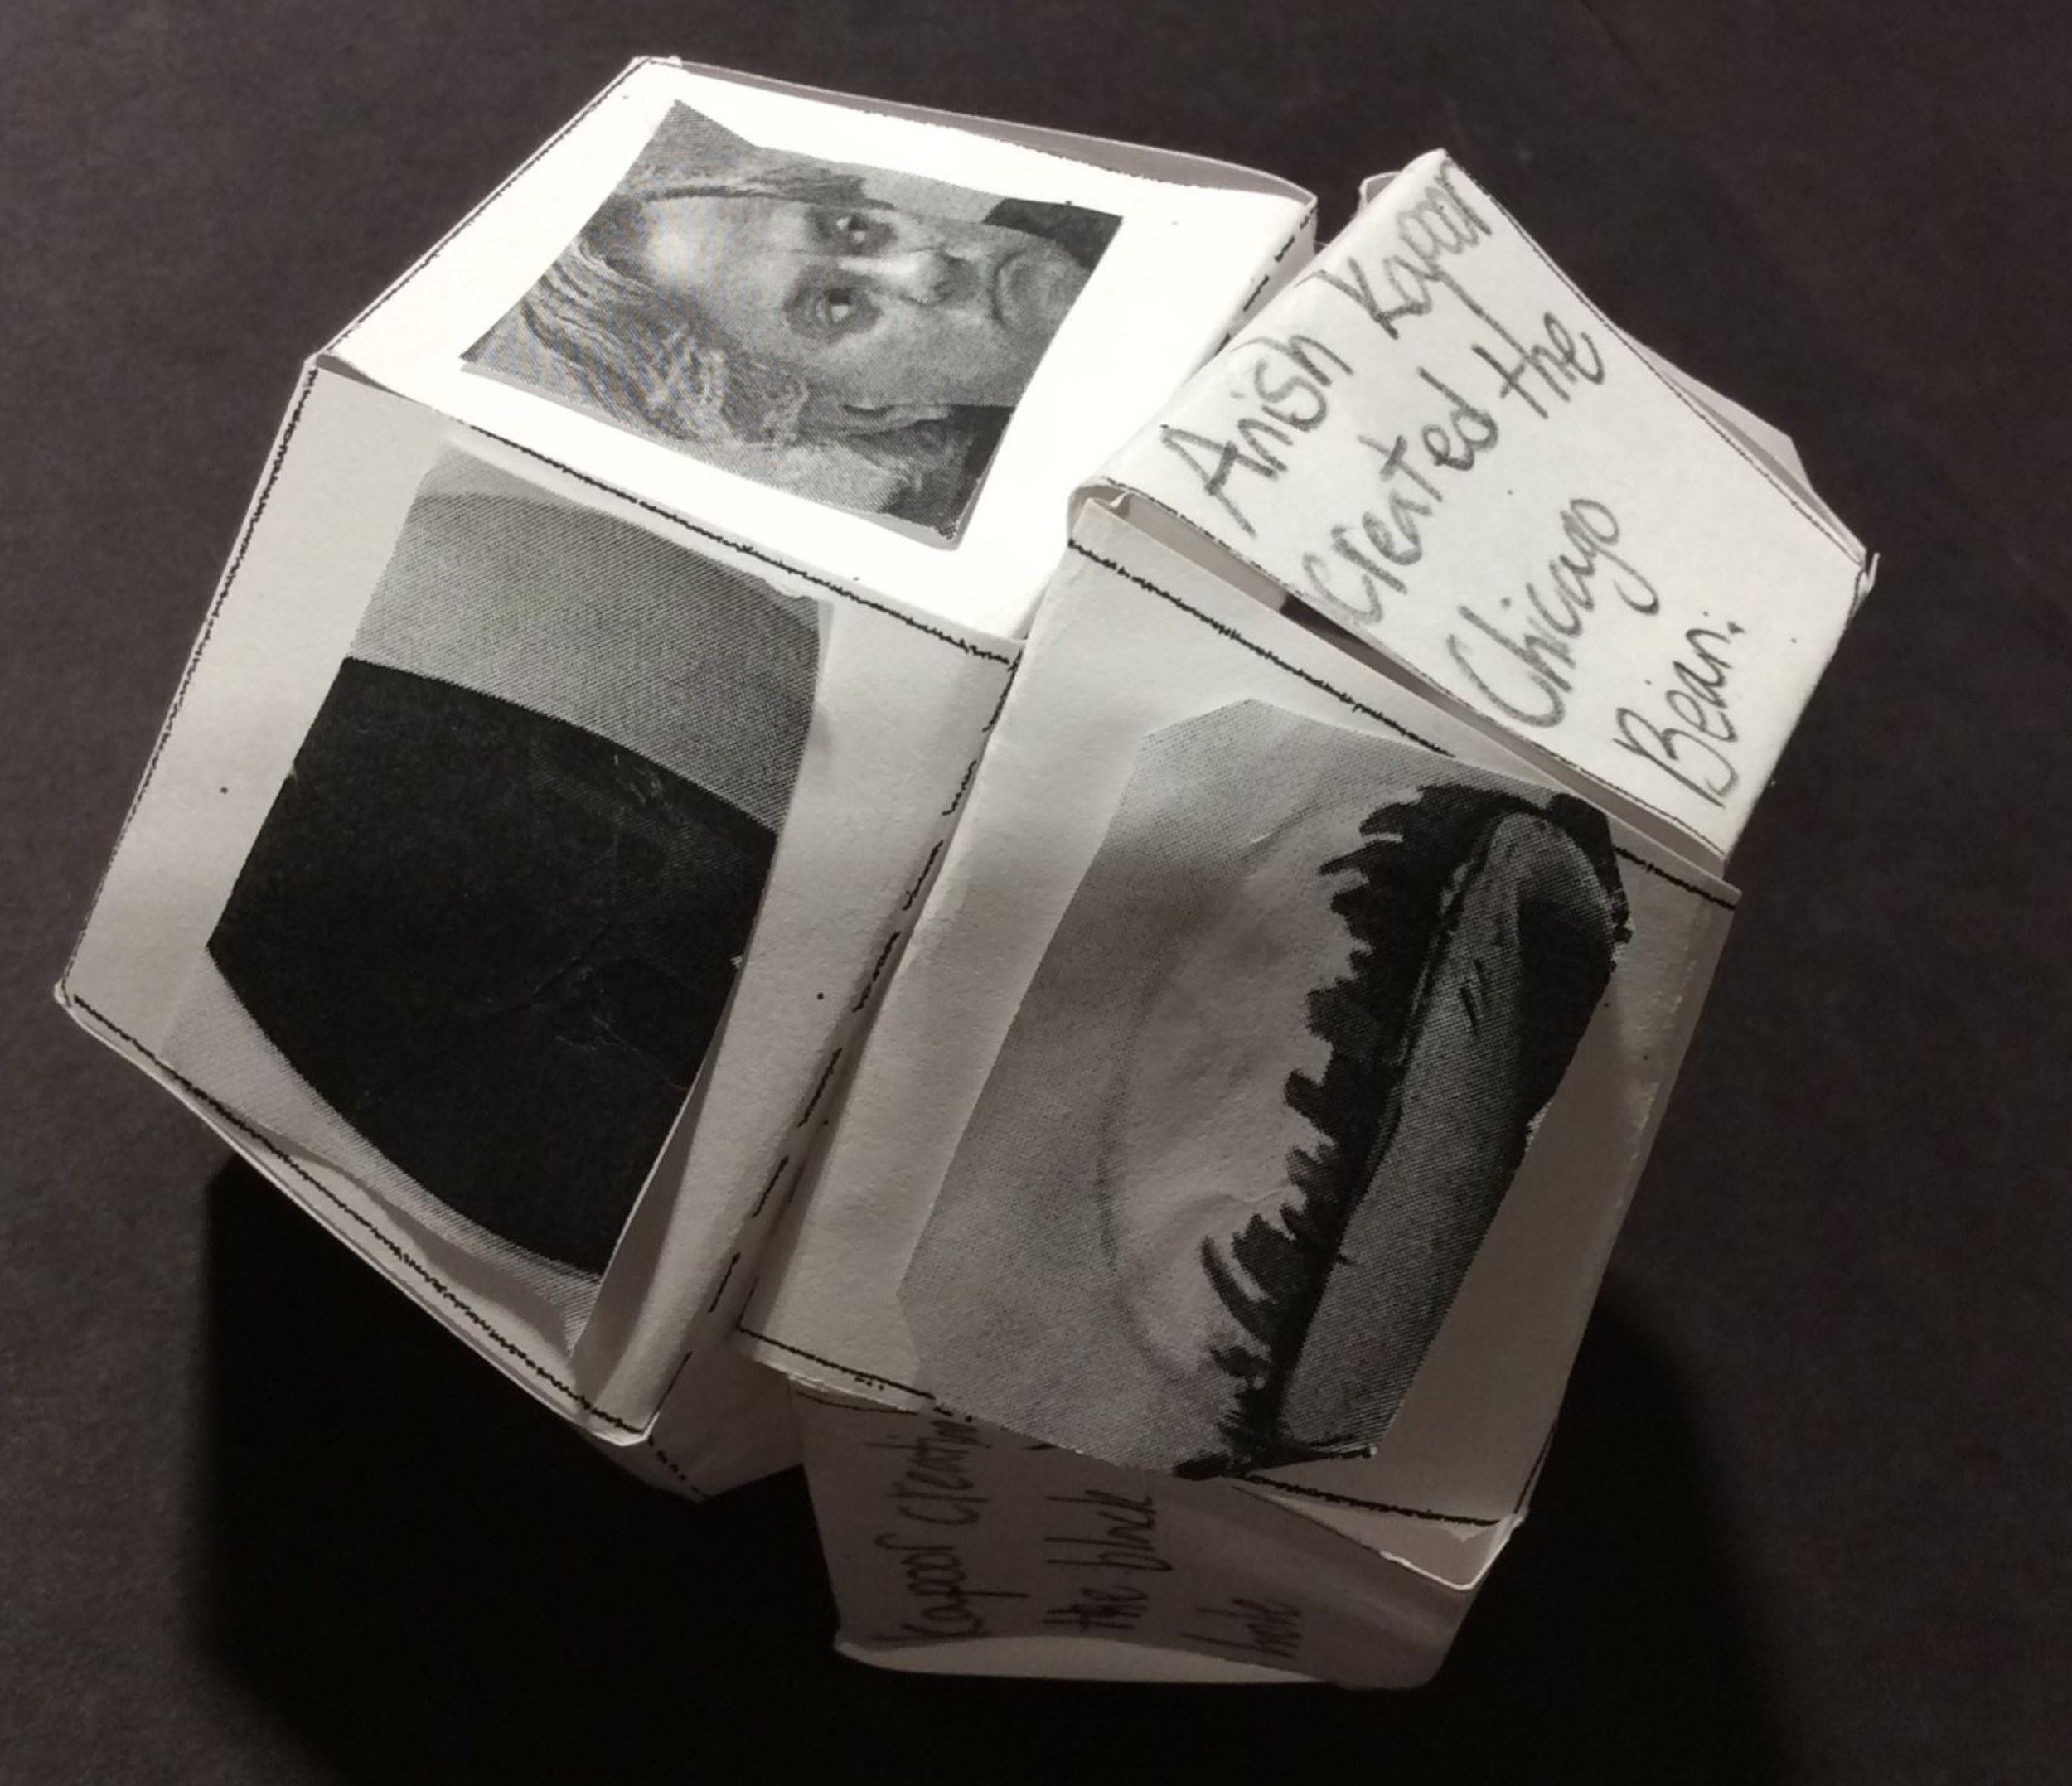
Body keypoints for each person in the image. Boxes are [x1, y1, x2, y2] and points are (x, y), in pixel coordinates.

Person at [476, 148, 1117, 533]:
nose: (925, 267)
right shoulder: (1055, 536)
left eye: (855, 229)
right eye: (837, 305)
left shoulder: (1104, 168)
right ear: (870, 411)